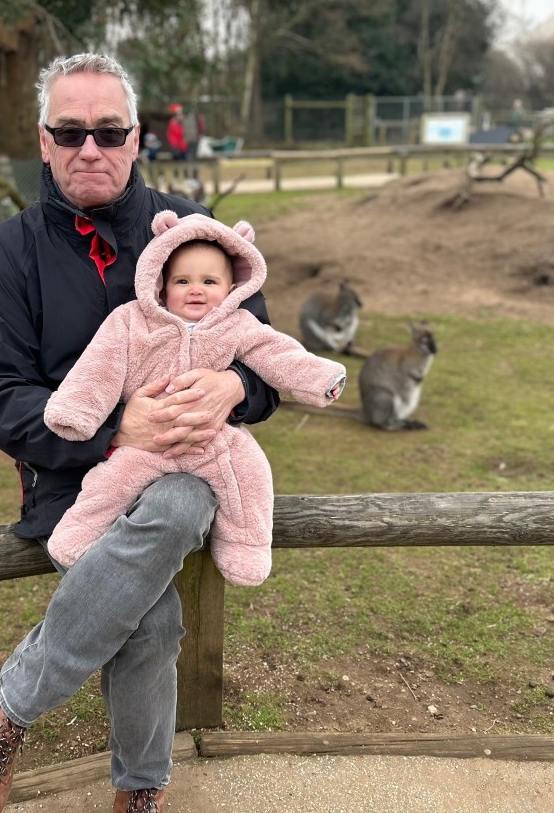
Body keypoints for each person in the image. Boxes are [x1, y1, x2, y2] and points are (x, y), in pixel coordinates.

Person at [0, 52, 280, 813]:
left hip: (195, 469)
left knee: (178, 503)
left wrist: (234, 389)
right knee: (154, 624)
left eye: (108, 130)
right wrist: (114, 431)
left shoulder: (199, 235)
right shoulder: (7, 254)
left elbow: (266, 354)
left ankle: (12, 705)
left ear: (136, 138)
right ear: (43, 140)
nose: (89, 148)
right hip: (71, 483)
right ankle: (138, 788)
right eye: (69, 131)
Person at [44, 212, 346, 586]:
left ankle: (245, 545)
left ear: (233, 286)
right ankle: (77, 535)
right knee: (107, 485)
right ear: (161, 282)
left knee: (250, 475)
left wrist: (321, 378)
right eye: (182, 281)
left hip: (213, 441)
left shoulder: (237, 325)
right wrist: (77, 409)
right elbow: (100, 365)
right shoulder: (131, 322)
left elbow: (279, 355)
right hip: (147, 443)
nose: (196, 290)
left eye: (209, 281)